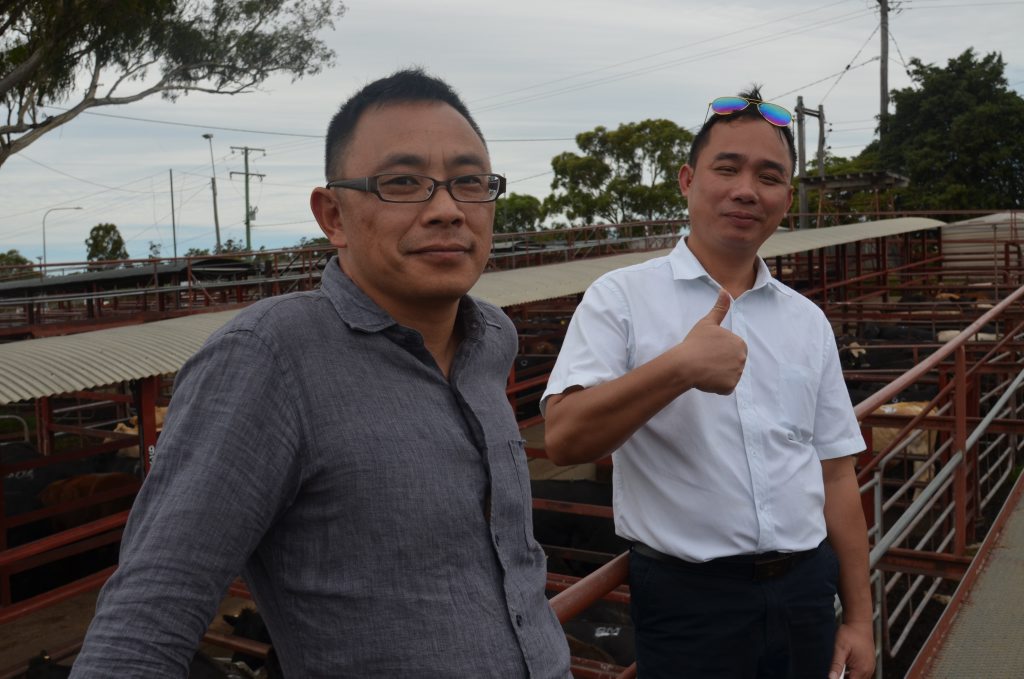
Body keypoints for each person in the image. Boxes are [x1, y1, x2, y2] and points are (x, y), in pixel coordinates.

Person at [71, 69, 571, 679]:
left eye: (469, 182)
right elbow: (142, 629)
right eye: (402, 183)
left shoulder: (492, 337)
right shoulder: (267, 359)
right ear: (332, 215)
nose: (446, 210)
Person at [542, 88, 875, 679]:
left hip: (805, 589)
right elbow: (565, 438)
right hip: (688, 598)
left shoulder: (806, 320)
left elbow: (835, 472)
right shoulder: (620, 298)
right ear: (687, 180)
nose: (747, 189)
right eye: (728, 168)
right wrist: (679, 368)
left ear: (785, 197)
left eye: (769, 176)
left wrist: (858, 618)